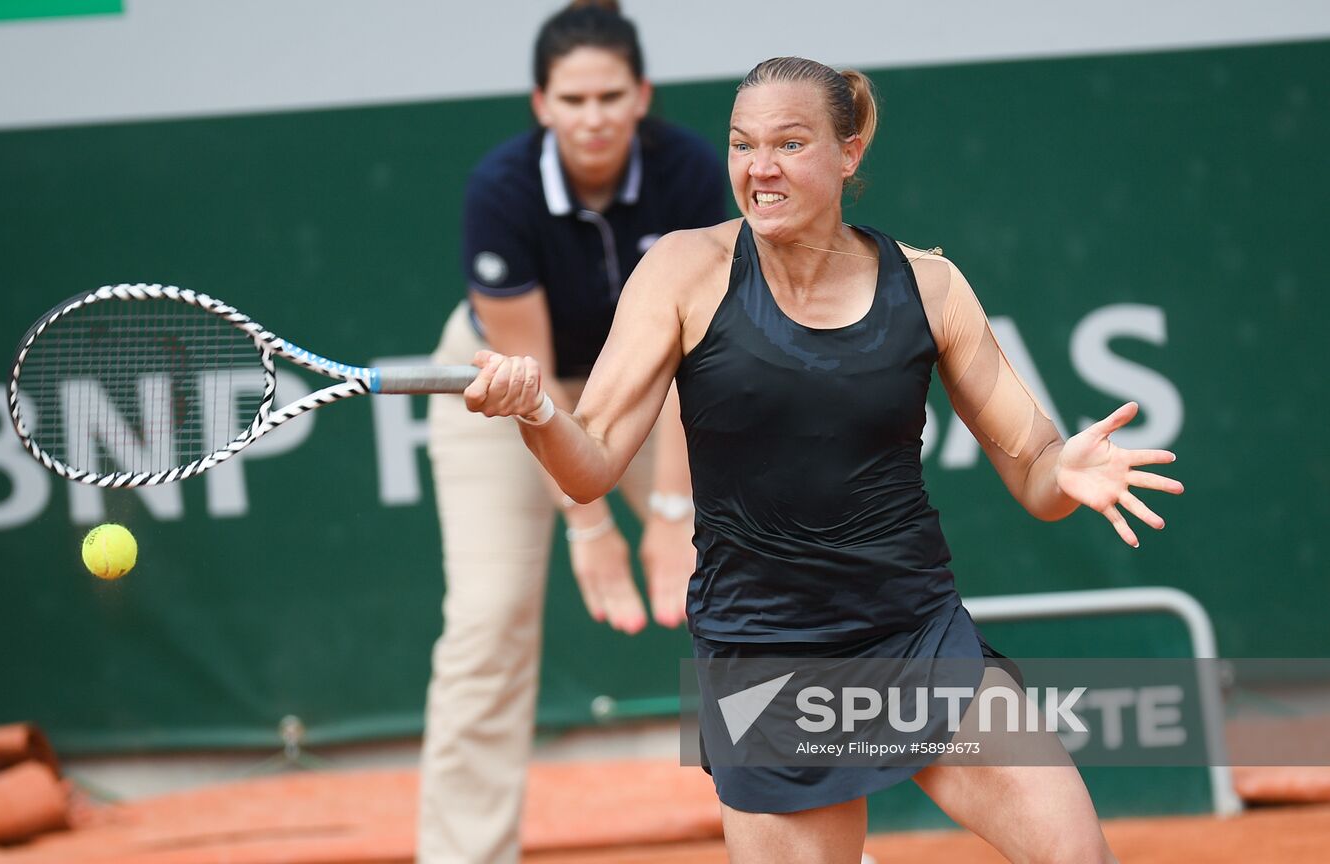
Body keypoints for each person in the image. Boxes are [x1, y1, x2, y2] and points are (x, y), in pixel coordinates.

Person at [464, 55, 1185, 863]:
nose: (759, 168)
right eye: (741, 145)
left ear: (848, 153)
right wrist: (536, 412)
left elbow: (1034, 467)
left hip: (914, 632)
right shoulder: (682, 272)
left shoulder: (931, 286)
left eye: (789, 143)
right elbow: (589, 464)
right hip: (764, 660)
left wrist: (1065, 473)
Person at [418, 2, 725, 861]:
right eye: (573, 99)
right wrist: (589, 527)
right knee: (487, 620)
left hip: (650, 382)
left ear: (641, 97)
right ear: (541, 104)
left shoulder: (692, 176)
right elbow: (534, 387)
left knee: (750, 583)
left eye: (610, 96)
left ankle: (815, 836)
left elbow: (690, 356)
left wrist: (670, 514)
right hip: (506, 390)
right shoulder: (501, 192)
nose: (593, 117)